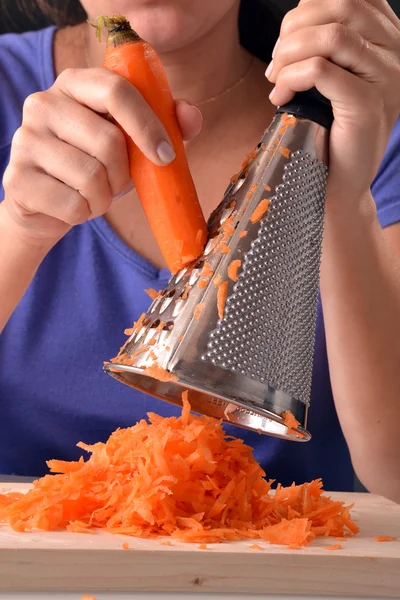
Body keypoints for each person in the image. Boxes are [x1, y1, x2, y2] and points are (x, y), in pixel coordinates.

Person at [1, 0, 400, 499]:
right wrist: (19, 228)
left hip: (283, 571)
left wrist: (341, 196)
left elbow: (395, 474)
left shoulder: (371, 108)